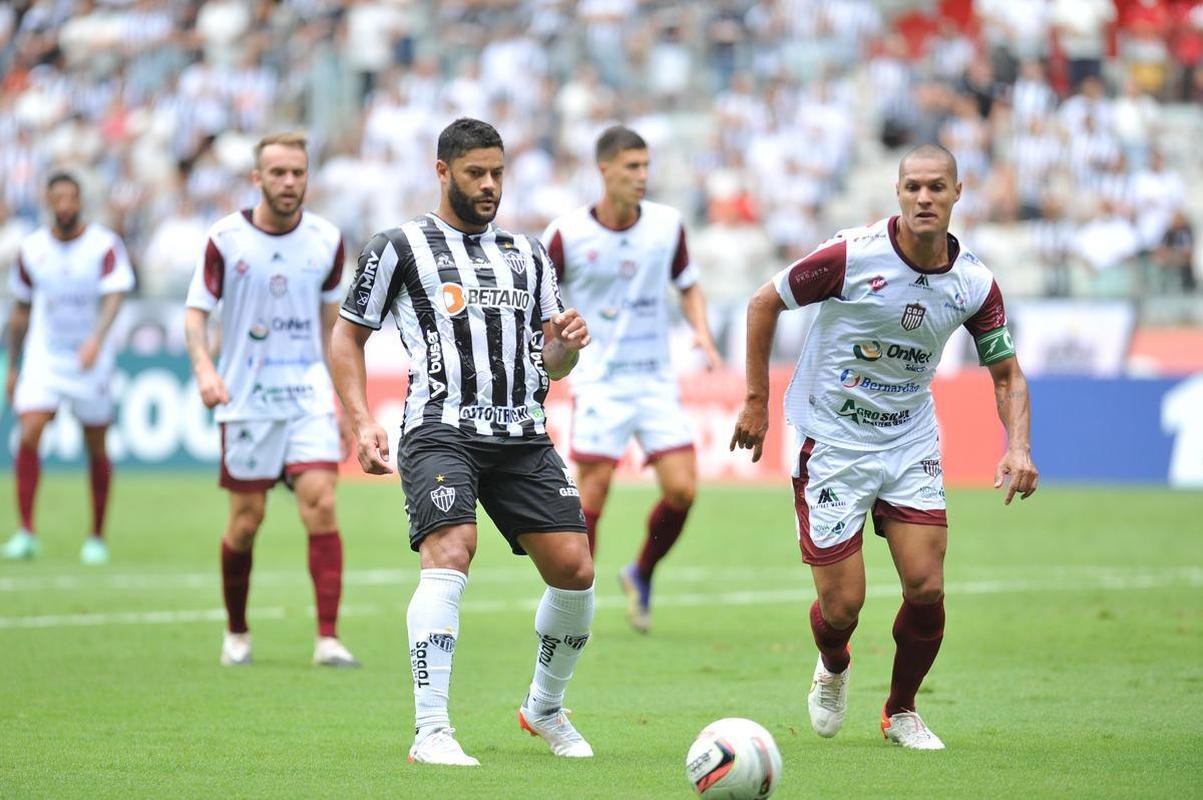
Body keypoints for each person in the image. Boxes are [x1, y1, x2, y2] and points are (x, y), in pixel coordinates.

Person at [730, 144, 1039, 750]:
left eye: (937, 188)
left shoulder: (974, 281)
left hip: (908, 438)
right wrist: (757, 401)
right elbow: (763, 301)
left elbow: (1006, 374)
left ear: (957, 193)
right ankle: (835, 665)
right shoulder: (852, 256)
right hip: (833, 440)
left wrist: (1018, 446)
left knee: (926, 587)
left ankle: (901, 711)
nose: (924, 198)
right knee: (842, 607)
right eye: (913, 187)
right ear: (897, 193)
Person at [330, 118, 594, 767]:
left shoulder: (529, 253)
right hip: (440, 426)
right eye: (475, 173)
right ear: (442, 171)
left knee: (575, 570)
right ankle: (431, 731)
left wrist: (561, 350)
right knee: (452, 548)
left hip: (522, 435)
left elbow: (551, 360)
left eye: (497, 173)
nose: (488, 185)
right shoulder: (397, 246)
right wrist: (362, 421)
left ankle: (543, 708)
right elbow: (346, 336)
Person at [184, 132, 359, 669]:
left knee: (322, 504)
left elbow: (335, 329)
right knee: (245, 521)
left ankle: (327, 638)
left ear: (308, 177)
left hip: (305, 394)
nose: (289, 182)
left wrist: (349, 406)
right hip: (246, 399)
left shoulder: (328, 240)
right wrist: (205, 370)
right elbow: (196, 314)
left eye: (298, 173)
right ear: (257, 178)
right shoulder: (225, 239)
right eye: (278, 173)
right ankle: (237, 632)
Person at [541, 125, 721, 634]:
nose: (642, 176)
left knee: (683, 490)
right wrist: (549, 348)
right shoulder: (567, 233)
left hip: (655, 378)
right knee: (593, 494)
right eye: (632, 167)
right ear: (605, 170)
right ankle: (580, 603)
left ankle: (641, 572)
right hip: (598, 378)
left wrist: (702, 335)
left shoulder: (667, 225)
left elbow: (688, 286)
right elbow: (540, 299)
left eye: (646, 166)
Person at [4, 172, 134, 565]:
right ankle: (26, 531)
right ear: (48, 202)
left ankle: (96, 536)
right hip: (45, 358)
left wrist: (96, 338)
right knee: (29, 432)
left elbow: (113, 297)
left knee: (95, 443)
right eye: (57, 198)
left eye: (71, 198)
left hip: (89, 358)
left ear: (80, 202)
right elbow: (21, 310)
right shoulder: (32, 249)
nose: (64, 205)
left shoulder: (103, 245)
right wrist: (14, 366)